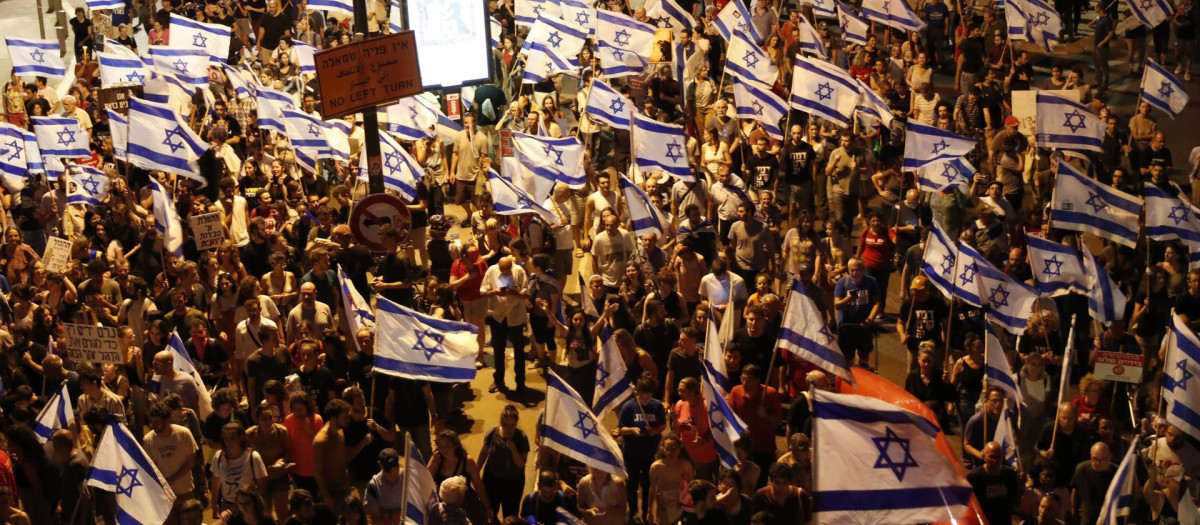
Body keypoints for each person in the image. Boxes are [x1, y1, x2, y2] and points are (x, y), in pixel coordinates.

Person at [478, 405, 529, 521]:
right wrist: (476, 471)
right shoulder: (492, 434)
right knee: (489, 512)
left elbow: (521, 464)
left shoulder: (521, 438)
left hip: (513, 483)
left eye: (512, 425)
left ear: (516, 423)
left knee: (510, 515)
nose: (508, 428)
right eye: (505, 424)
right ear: (500, 421)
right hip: (492, 480)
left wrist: (513, 450)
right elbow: (483, 454)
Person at [968, 442, 1022, 525]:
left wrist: (1021, 485)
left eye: (998, 457)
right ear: (984, 457)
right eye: (991, 457)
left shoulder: (1009, 474)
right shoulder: (975, 477)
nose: (995, 460)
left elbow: (1014, 498)